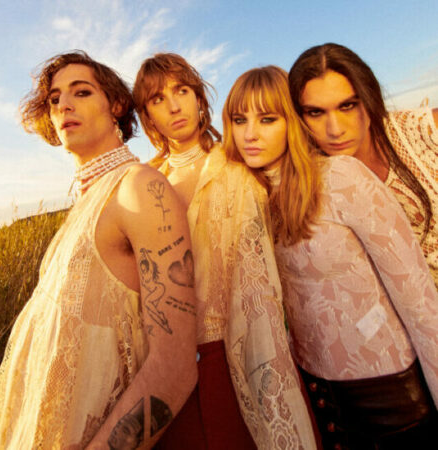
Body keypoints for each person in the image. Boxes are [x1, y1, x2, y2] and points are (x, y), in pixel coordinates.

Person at [0, 51, 197, 449]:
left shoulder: (138, 187)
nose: (63, 105)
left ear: (116, 105)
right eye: (54, 99)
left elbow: (175, 367)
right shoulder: (84, 205)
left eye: (81, 92)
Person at [223, 65, 438, 449]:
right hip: (317, 394)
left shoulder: (341, 177)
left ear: (291, 122)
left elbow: (419, 301)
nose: (250, 134)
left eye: (267, 119)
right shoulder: (247, 200)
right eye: (240, 120)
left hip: (390, 395)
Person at [133, 53, 317, 449]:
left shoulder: (236, 168)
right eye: (157, 99)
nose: (174, 106)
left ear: (199, 97)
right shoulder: (143, 184)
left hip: (234, 359)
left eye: (182, 91)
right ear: (147, 116)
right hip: (165, 370)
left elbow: (260, 291)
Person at [288, 42, 438, 288]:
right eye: (315, 112)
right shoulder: (311, 185)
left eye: (347, 106)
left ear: (369, 97)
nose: (335, 129)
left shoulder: (423, 131)